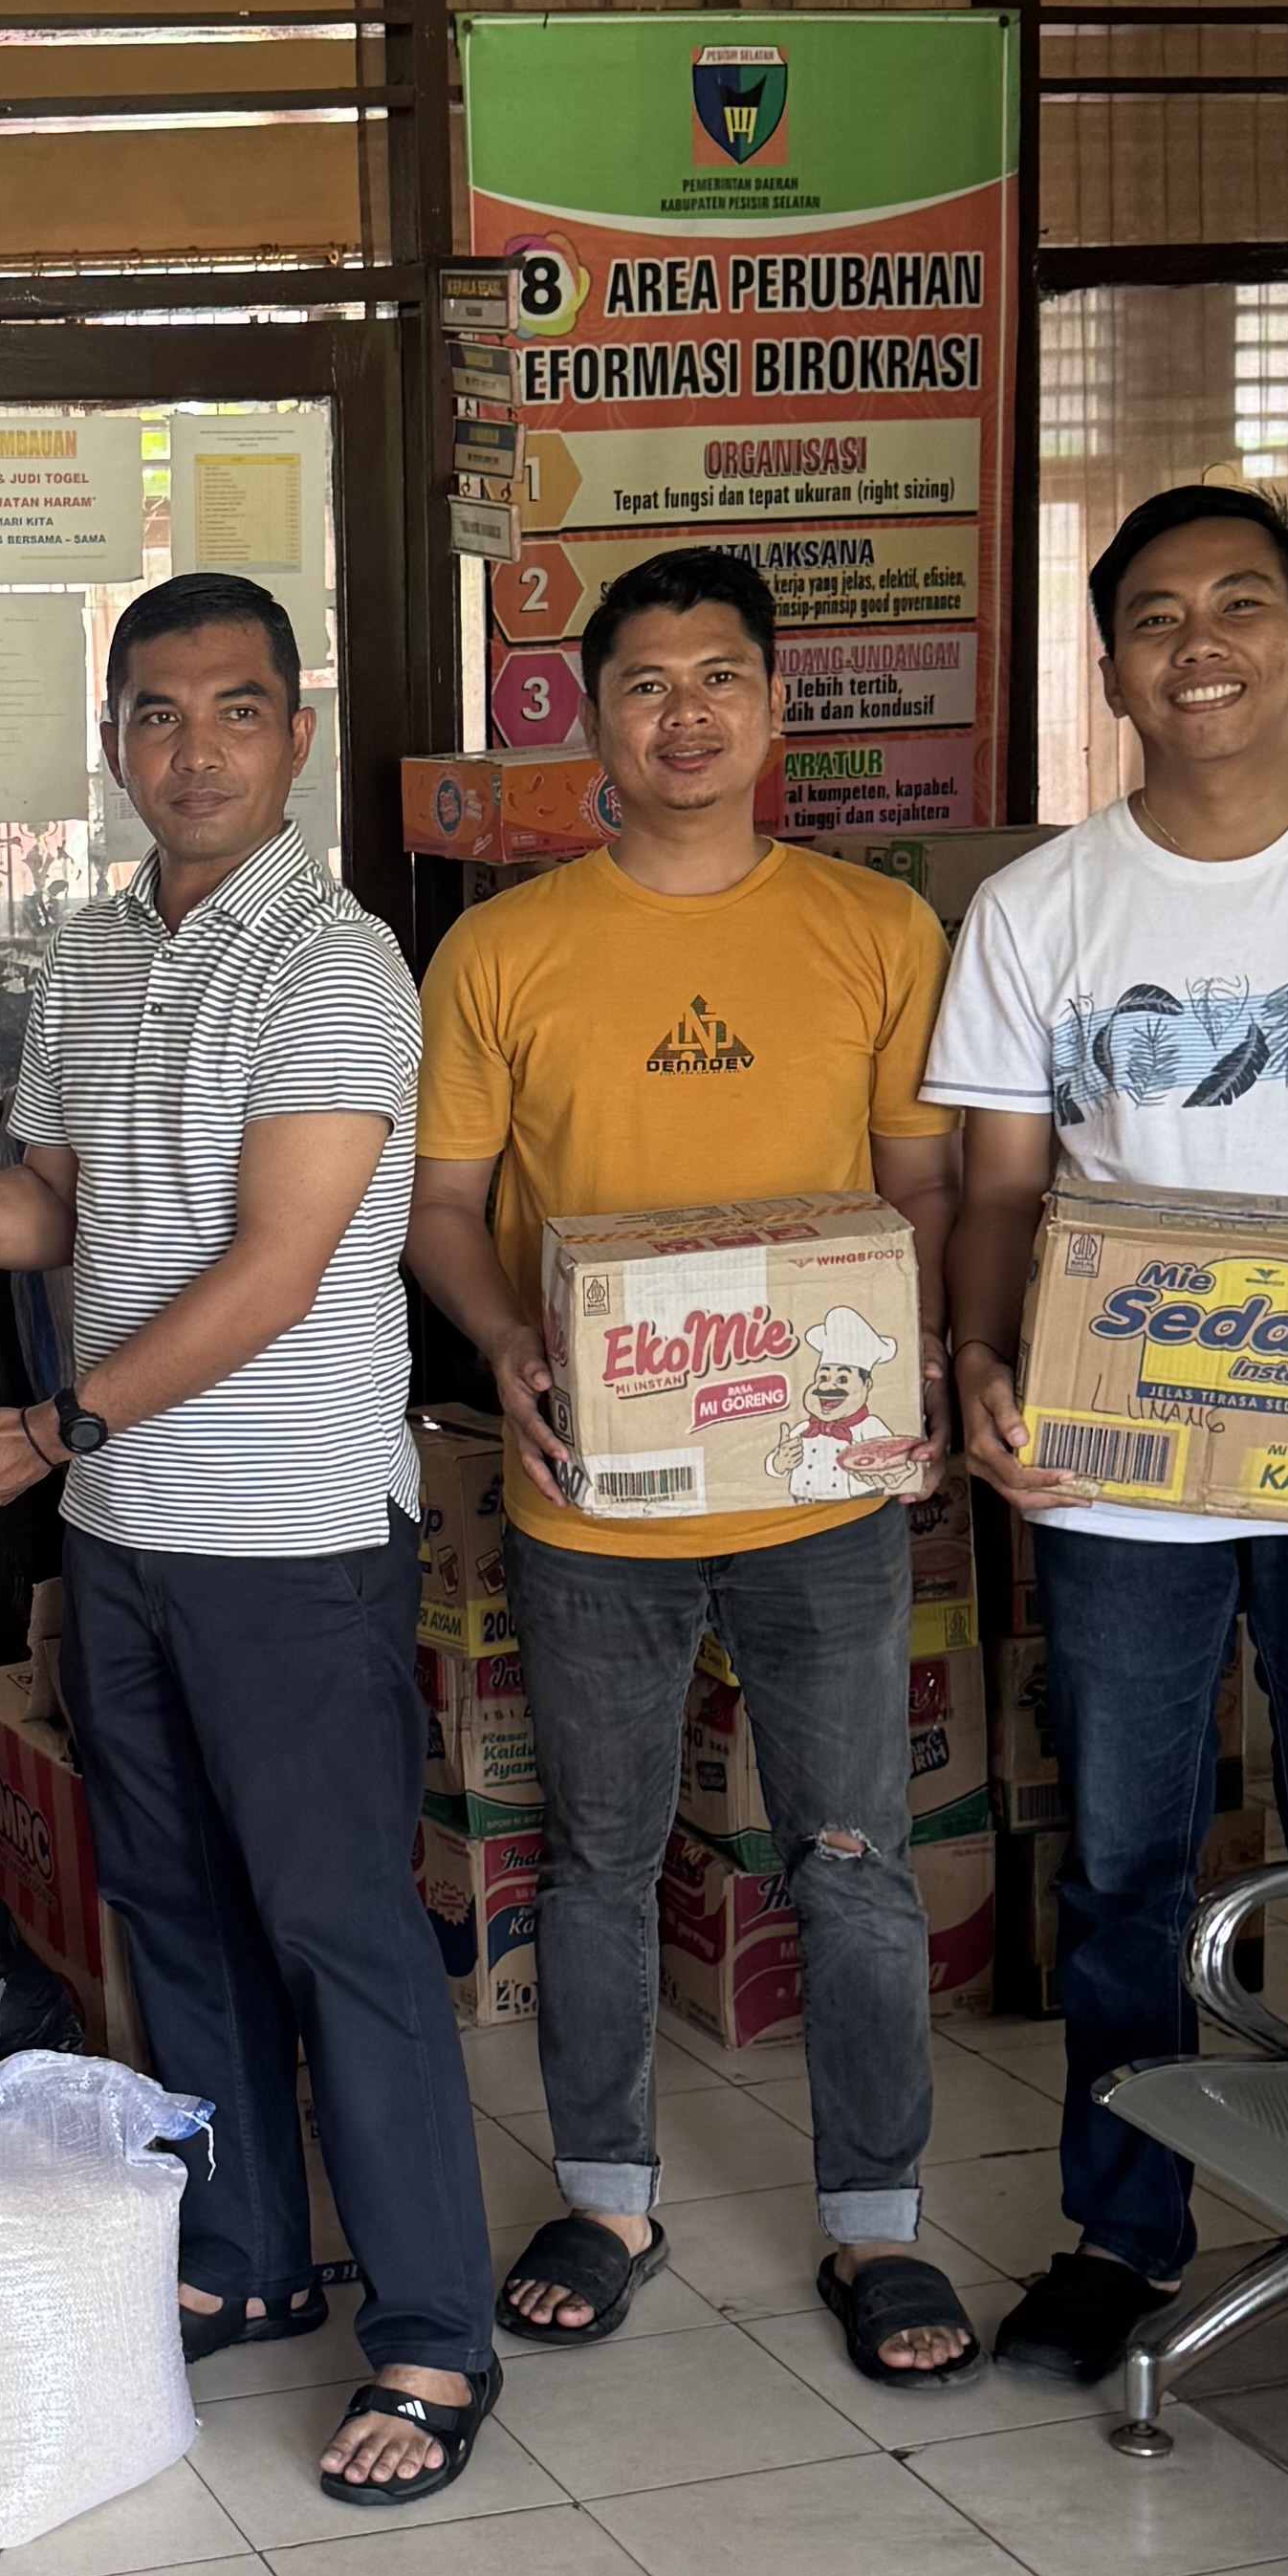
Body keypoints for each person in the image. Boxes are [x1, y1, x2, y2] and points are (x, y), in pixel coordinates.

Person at [0, 568, 498, 2510]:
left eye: (237, 709)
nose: (195, 748)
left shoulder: (336, 964)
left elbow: (274, 1271)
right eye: (158, 714)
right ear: (112, 743)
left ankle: (434, 2330)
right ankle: (247, 2256)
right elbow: (59, 1217)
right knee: (174, 1922)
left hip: (282, 1533)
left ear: (293, 732)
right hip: (121, 1528)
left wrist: (46, 1424)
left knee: (339, 1930)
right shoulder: (92, 954)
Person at [937, 475, 1288, 2413]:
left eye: (1239, 606)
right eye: (1155, 618)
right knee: (1123, 1864)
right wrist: (978, 1367)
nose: (1200, 647)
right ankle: (1118, 2233)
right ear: (1109, 667)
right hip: (1117, 1470)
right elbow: (999, 1186)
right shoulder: (1039, 907)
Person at [407, 540, 977, 2386]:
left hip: (822, 1487)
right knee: (594, 1856)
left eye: (717, 677)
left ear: (774, 704)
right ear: (592, 715)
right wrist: (501, 1345)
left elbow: (919, 1189)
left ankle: (874, 2223)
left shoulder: (875, 928)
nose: (684, 714)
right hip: (598, 1495)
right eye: (645, 684)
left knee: (850, 1860)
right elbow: (438, 1207)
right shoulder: (504, 948)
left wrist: (912, 1375)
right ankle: (606, 2191)